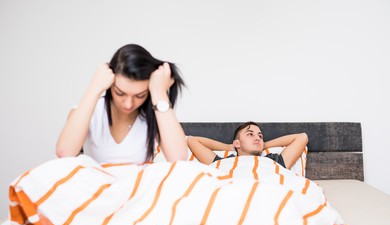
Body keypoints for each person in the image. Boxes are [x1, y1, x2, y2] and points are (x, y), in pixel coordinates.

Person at [56, 44, 188, 164]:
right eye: (120, 93)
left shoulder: (154, 115)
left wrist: (159, 93)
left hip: (139, 187)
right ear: (110, 84)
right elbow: (65, 153)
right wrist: (94, 88)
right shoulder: (92, 110)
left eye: (139, 95)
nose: (128, 104)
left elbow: (179, 158)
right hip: (97, 185)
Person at [187, 121, 308, 169]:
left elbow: (302, 137)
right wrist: (230, 147)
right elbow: (192, 141)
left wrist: (263, 145)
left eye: (260, 136)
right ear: (237, 143)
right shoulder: (222, 162)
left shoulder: (274, 161)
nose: (257, 138)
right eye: (250, 134)